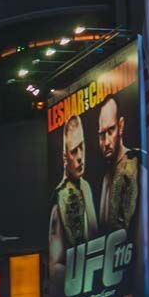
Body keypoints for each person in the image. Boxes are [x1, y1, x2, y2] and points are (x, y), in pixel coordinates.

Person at [49, 113, 99, 285]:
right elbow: (55, 265)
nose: (80, 156)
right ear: (65, 158)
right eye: (73, 151)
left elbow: (94, 238)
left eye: (82, 147)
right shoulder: (59, 199)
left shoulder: (86, 187)